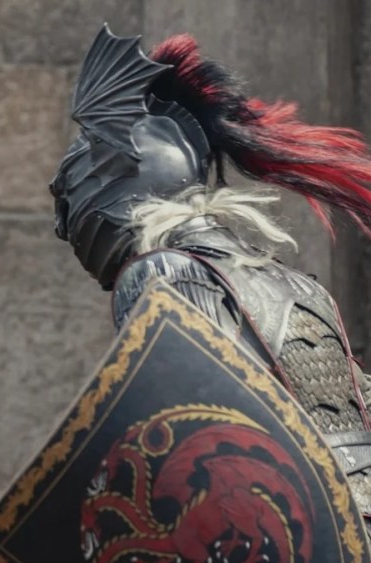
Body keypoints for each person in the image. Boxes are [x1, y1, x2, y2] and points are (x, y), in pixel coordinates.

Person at [50, 25, 371, 528]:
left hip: (295, 528)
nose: (62, 225)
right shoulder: (297, 284)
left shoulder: (164, 271)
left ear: (114, 187)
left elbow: (204, 424)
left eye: (70, 195)